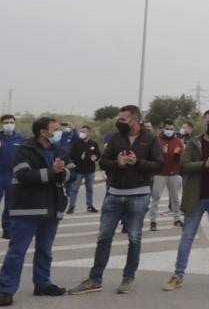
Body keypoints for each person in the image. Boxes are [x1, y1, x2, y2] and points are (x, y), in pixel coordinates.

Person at [69, 105, 162, 296]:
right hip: (114, 193)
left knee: (134, 237)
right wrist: (117, 163)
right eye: (119, 119)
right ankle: (95, 279)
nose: (119, 122)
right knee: (104, 237)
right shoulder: (116, 138)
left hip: (139, 194)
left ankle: (128, 277)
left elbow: (158, 165)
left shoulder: (151, 139)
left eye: (123, 119)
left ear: (135, 120)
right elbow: (103, 162)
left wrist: (138, 163)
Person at [0, 117, 70, 306]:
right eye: (55, 129)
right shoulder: (23, 150)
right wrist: (53, 172)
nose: (58, 132)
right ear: (43, 132)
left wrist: (62, 173)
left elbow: (72, 172)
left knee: (45, 250)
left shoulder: (60, 150)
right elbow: (24, 175)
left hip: (52, 208)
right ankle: (6, 289)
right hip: (27, 209)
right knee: (17, 251)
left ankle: (43, 284)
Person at [163, 110, 209, 291]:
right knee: (187, 237)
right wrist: (206, 163)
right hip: (195, 197)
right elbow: (183, 166)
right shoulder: (194, 142)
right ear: (204, 123)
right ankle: (178, 275)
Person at [150, 120, 184, 231]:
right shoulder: (157, 141)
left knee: (175, 199)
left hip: (174, 173)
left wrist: (178, 153)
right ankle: (153, 221)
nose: (169, 131)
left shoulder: (178, 141)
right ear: (163, 128)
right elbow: (153, 157)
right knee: (156, 197)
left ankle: (177, 219)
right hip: (160, 173)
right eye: (167, 128)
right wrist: (162, 153)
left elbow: (181, 158)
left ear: (174, 129)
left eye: (171, 129)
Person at [66, 126, 100, 214]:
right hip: (78, 170)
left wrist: (95, 158)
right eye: (81, 131)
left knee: (89, 189)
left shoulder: (94, 144)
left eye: (84, 131)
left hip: (90, 170)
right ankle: (71, 206)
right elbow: (71, 155)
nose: (82, 133)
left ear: (89, 133)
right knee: (74, 189)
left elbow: (98, 154)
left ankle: (90, 206)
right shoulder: (76, 144)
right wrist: (79, 157)